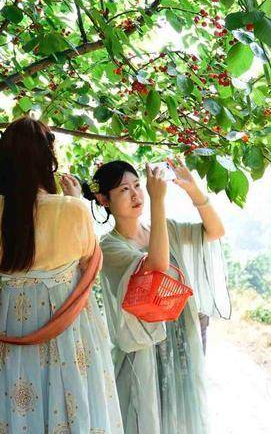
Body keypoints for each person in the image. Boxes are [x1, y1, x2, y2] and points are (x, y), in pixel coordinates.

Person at [0, 117, 123, 434]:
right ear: (48, 160)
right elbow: (90, 269)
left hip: (14, 339)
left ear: (1, 163)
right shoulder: (74, 211)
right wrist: (73, 200)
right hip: (73, 336)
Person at [63, 158, 230, 434]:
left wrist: (193, 189)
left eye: (138, 185)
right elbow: (156, 266)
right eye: (123, 190)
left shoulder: (165, 229)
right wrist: (158, 200)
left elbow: (215, 231)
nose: (135, 194)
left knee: (181, 420)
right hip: (143, 352)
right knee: (147, 420)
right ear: (104, 200)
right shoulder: (110, 247)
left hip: (179, 340)